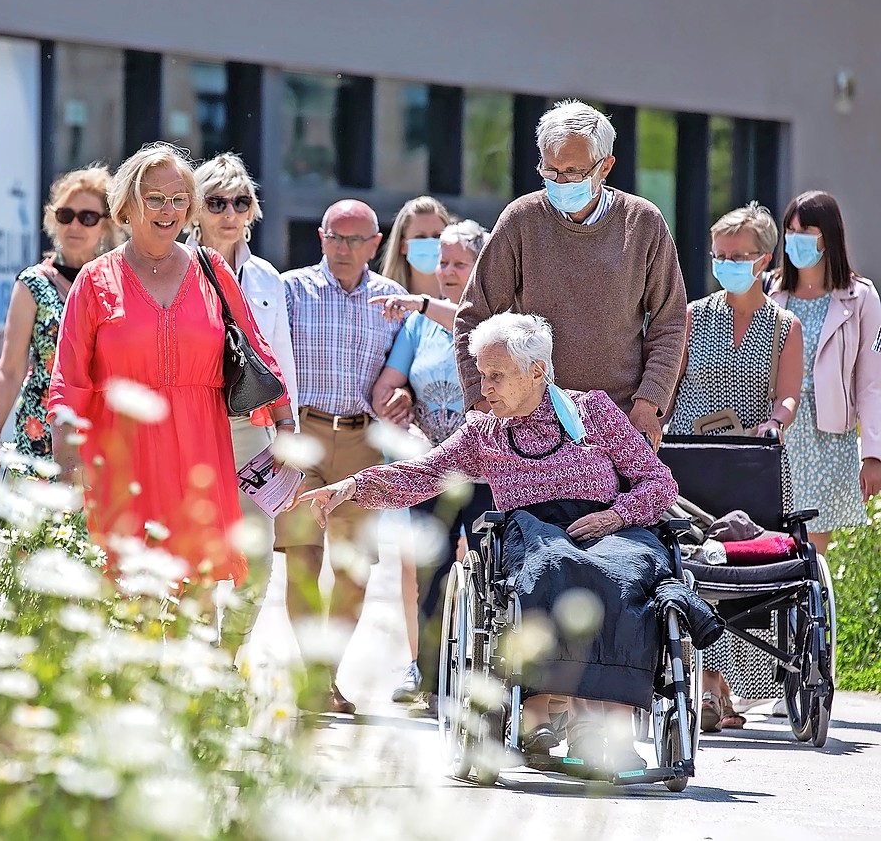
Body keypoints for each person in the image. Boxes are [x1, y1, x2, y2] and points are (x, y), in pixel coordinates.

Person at [298, 313, 717, 774]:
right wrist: (351, 488)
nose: (484, 387)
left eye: (495, 375)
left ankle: (608, 719)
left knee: (628, 574)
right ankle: (542, 708)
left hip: (611, 528)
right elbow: (421, 475)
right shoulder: (485, 432)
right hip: (534, 536)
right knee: (551, 567)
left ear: (536, 371)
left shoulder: (593, 411)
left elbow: (658, 482)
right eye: (481, 374)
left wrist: (616, 515)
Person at [48, 142, 296, 625]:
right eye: (154, 198)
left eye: (179, 197)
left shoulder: (211, 269)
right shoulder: (95, 280)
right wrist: (66, 465)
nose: (169, 209)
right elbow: (70, 379)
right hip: (121, 456)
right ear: (126, 206)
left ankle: (206, 694)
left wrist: (285, 422)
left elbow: (255, 348)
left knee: (198, 597)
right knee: (130, 601)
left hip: (199, 450)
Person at [454, 100, 686, 450]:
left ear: (606, 166)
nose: (560, 182)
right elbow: (473, 316)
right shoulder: (521, 219)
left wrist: (649, 403)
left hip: (619, 421)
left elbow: (669, 322)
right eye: (551, 172)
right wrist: (480, 402)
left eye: (573, 173)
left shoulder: (643, 222)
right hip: (530, 424)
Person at [664, 202, 805, 730]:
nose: (725, 264)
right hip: (692, 455)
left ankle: (724, 688)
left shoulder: (783, 325)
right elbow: (671, 383)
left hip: (751, 459)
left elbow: (788, 397)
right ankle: (710, 685)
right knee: (692, 562)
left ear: (764, 259)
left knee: (739, 570)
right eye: (718, 256)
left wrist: (776, 421)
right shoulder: (694, 316)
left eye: (737, 256)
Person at [278, 199, 407, 713]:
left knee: (355, 571)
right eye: (336, 237)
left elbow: (408, 370)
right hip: (303, 435)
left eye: (357, 240)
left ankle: (326, 673)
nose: (345, 248)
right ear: (321, 237)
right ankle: (312, 677)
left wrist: (407, 396)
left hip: (362, 442)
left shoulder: (394, 300)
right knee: (301, 562)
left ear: (376, 244)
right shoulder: (290, 291)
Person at [370, 220, 496, 706]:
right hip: (431, 465)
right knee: (429, 572)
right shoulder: (417, 324)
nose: (445, 271)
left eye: (458, 263)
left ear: (480, 267)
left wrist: (422, 303)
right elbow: (386, 385)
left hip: (486, 467)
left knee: (490, 570)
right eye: (442, 262)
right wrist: (397, 399)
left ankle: (487, 678)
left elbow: (464, 323)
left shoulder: (491, 319)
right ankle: (428, 674)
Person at [187, 152, 300, 632]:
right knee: (195, 546)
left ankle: (231, 651)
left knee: (257, 551)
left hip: (251, 429)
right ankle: (198, 656)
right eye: (215, 203)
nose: (229, 214)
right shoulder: (176, 270)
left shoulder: (267, 278)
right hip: (191, 423)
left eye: (240, 202)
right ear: (194, 210)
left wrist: (290, 431)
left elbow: (281, 359)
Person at [0, 166, 119, 474]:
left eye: (88, 217)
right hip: (40, 429)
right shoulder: (33, 283)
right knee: (36, 522)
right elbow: (11, 368)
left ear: (106, 227)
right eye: (66, 215)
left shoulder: (116, 285)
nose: (75, 225)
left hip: (102, 427)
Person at [768, 191, 881, 557]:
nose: (795, 238)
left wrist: (874, 455)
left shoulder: (861, 297)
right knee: (768, 544)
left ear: (828, 235)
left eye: (806, 230)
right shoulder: (771, 290)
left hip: (828, 440)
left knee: (811, 558)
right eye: (790, 230)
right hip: (776, 433)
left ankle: (813, 617)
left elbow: (872, 382)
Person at [378, 195, 452, 298]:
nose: (430, 242)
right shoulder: (384, 300)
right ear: (403, 246)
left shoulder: (466, 304)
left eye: (437, 236)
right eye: (420, 237)